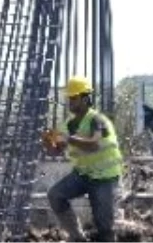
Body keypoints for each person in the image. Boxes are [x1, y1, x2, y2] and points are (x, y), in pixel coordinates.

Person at [42, 76, 124, 243]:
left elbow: (94, 144)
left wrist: (68, 138)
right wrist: (47, 142)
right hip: (83, 175)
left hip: (104, 178)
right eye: (69, 98)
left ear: (86, 98)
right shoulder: (69, 124)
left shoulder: (97, 120)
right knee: (55, 195)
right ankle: (78, 238)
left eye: (74, 98)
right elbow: (56, 151)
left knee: (105, 227)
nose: (70, 102)